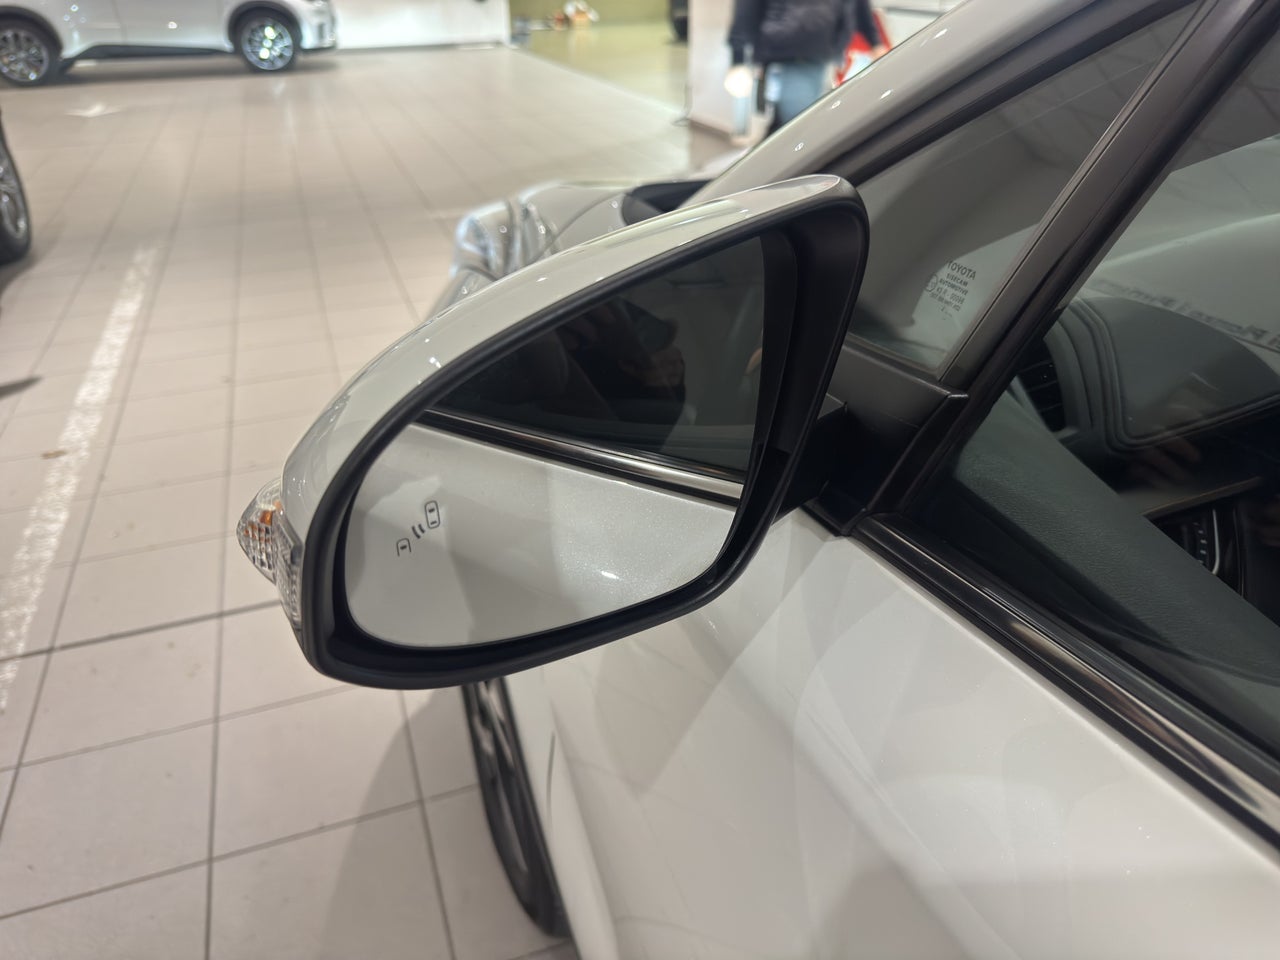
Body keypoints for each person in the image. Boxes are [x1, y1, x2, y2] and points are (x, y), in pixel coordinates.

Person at [726, 0, 887, 132]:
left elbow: (858, 5)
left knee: (797, 126)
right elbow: (746, 8)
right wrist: (738, 58)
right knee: (797, 129)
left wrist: (875, 42)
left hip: (822, 55)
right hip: (791, 55)